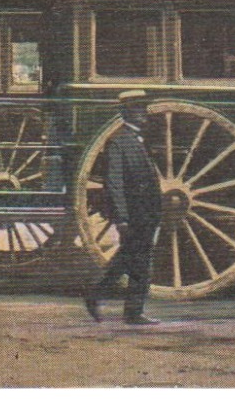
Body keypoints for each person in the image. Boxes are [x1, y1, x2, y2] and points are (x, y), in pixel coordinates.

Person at [84, 90, 164, 325]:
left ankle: (117, 303)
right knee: (137, 261)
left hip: (147, 212)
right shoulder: (118, 142)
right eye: (137, 110)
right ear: (126, 112)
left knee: (134, 259)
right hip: (133, 213)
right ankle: (121, 306)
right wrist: (121, 218)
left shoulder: (140, 141)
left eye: (143, 109)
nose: (143, 114)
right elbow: (114, 183)